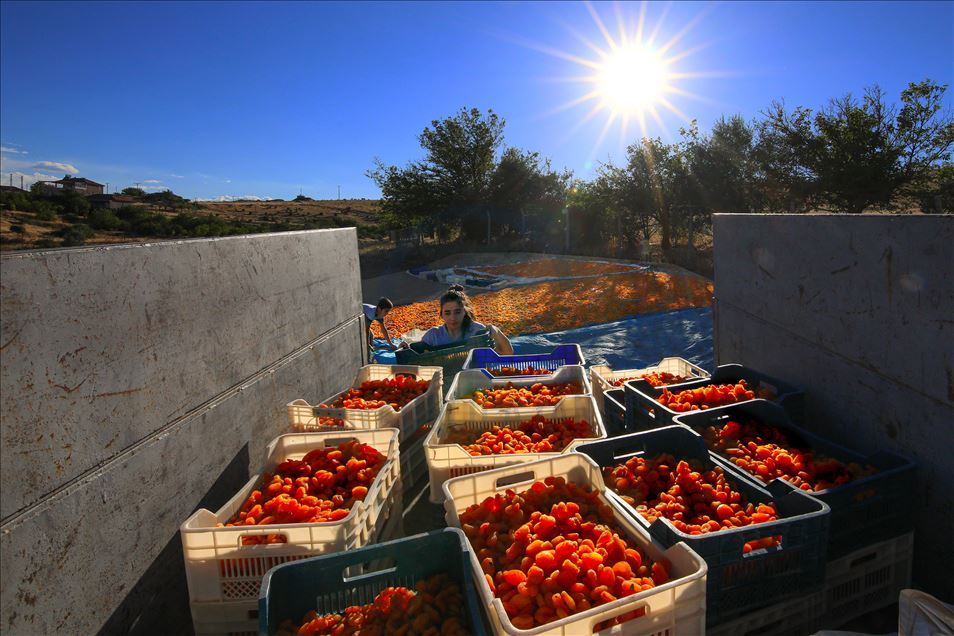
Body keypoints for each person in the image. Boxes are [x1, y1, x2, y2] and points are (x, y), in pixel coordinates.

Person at [420, 285, 513, 354]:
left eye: (457, 312)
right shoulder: (433, 336)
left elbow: (507, 354)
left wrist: (496, 331)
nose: (452, 318)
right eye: (447, 313)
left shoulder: (477, 331)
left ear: (464, 312)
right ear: (441, 314)